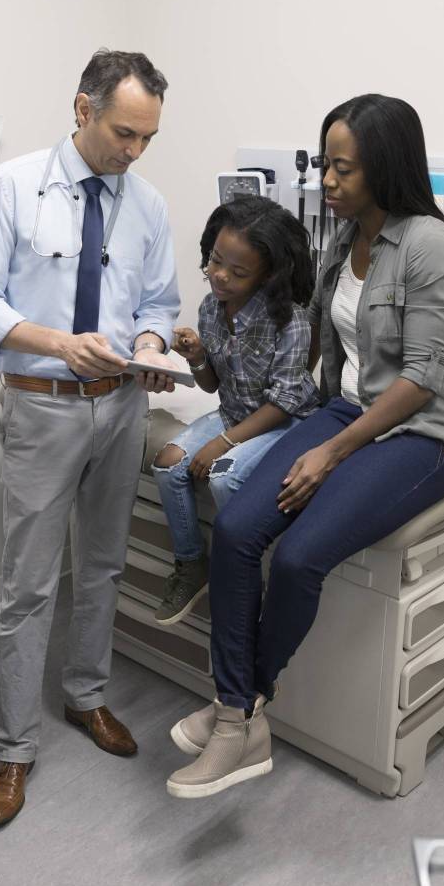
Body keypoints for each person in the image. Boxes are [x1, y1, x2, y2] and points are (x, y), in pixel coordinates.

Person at [165, 94, 444, 799]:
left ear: (387, 168)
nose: (328, 182)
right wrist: (235, 371)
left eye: (344, 169)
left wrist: (329, 451)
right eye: (326, 166)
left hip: (427, 433)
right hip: (352, 406)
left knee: (304, 554)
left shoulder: (429, 247)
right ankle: (237, 714)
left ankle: (240, 711)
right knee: (242, 527)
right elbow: (314, 336)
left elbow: (424, 379)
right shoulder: (345, 238)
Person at [0, 49, 181, 826]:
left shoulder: (147, 204)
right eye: (125, 133)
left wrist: (152, 348)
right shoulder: (12, 188)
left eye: (148, 138)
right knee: (26, 586)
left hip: (121, 408)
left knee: (104, 565)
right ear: (83, 110)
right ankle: (16, 747)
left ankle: (86, 697)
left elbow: (159, 300)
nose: (133, 152)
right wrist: (60, 343)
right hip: (43, 404)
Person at [150, 196, 317, 627]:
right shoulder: (211, 308)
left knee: (225, 475)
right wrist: (197, 356)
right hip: (235, 411)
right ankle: (192, 564)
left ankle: (244, 576)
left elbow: (282, 405)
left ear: (268, 275)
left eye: (238, 271)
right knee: (168, 463)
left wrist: (224, 442)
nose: (219, 276)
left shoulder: (291, 321)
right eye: (215, 260)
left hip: (283, 422)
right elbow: (212, 386)